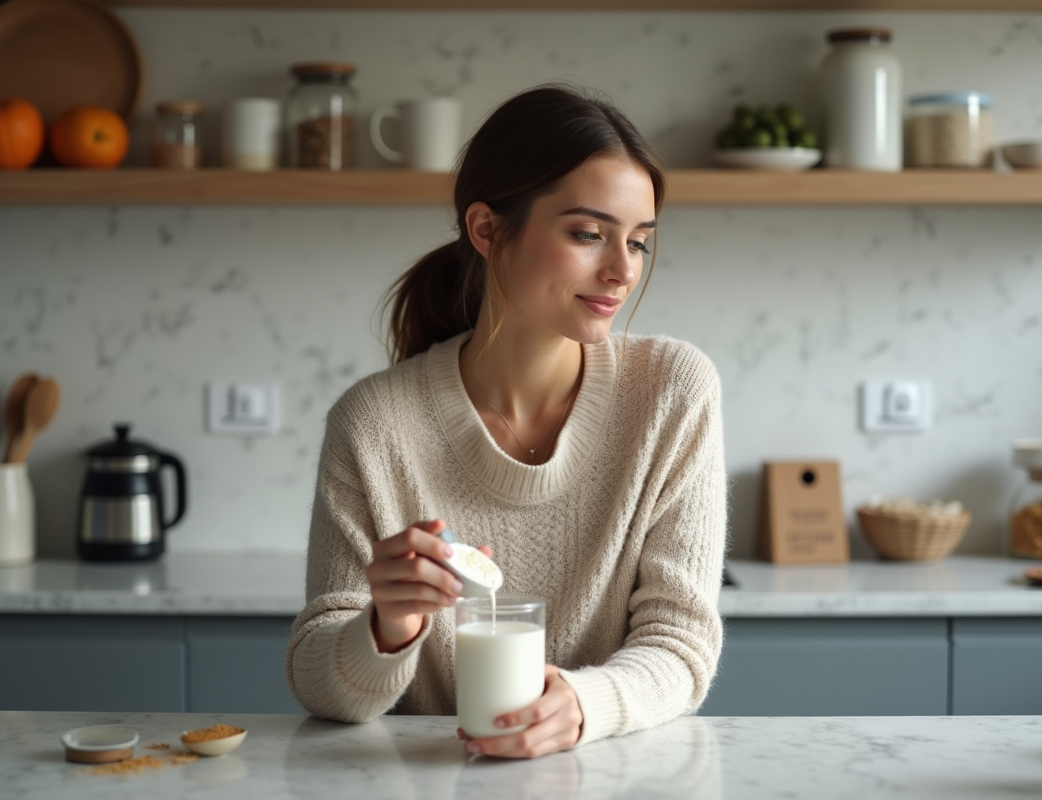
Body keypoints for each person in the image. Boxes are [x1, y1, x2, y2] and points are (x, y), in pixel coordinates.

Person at [286, 84, 726, 760]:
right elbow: (321, 685)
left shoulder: (673, 391)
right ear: (487, 230)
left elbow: (681, 645)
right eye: (588, 235)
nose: (622, 271)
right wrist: (388, 624)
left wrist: (584, 704)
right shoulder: (373, 424)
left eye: (638, 242)